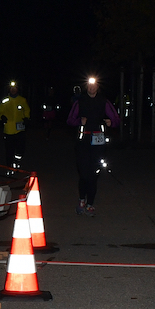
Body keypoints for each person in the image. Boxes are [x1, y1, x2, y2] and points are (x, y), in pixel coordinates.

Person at [66, 76, 119, 216]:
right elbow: (70, 120)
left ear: (97, 87)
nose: (91, 88)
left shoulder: (104, 101)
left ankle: (90, 204)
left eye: (94, 85)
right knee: (84, 174)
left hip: (98, 143)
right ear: (86, 87)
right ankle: (81, 200)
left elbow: (116, 119)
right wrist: (79, 121)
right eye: (89, 85)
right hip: (83, 143)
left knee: (94, 174)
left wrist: (111, 123)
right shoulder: (80, 102)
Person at [0, 81, 31, 173]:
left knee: (20, 148)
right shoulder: (5, 100)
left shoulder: (22, 100)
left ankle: (17, 162)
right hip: (9, 129)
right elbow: (0, 112)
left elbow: (27, 110)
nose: (13, 90)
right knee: (9, 149)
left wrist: (27, 118)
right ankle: (9, 167)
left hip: (20, 128)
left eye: (15, 88)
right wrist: (1, 117)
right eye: (11, 89)